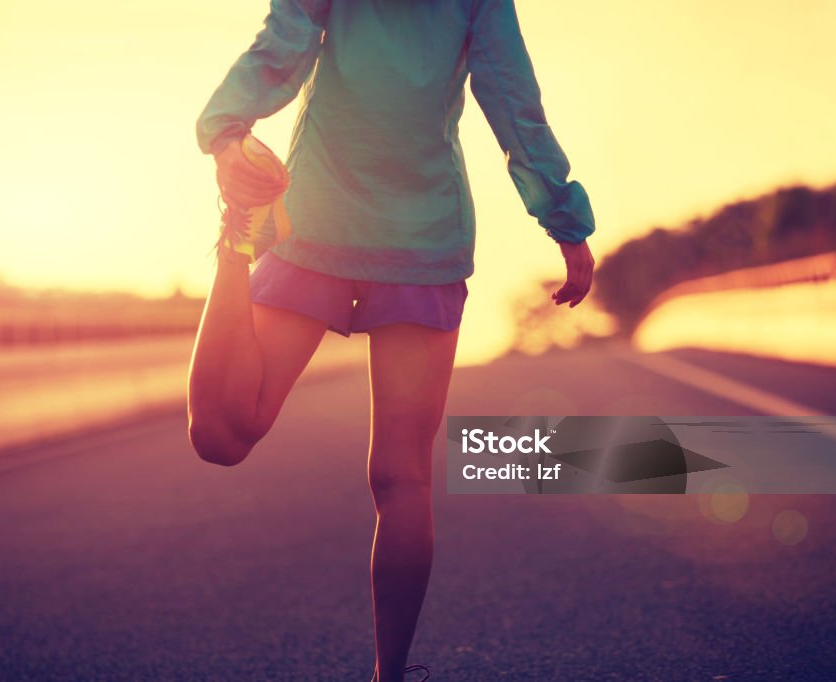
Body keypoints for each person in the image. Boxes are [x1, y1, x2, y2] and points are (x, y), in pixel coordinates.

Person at [188, 1, 595, 679]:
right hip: (369, 231)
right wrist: (564, 219)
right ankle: (238, 236)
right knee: (278, 449)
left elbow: (281, 47)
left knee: (363, 468)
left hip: (380, 236)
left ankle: (390, 675)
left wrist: (227, 128)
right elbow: (513, 100)